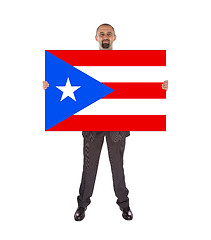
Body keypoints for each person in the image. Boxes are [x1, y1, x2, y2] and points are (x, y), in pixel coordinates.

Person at [43, 23, 168, 221]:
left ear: (115, 37)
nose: (105, 36)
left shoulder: (126, 63)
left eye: (108, 33)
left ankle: (124, 204)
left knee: (117, 165)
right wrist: (50, 86)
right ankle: (82, 205)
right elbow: (67, 84)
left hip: (117, 123)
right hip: (92, 123)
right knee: (89, 165)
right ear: (96, 38)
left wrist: (158, 88)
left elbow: (136, 86)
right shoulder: (84, 63)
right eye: (102, 34)